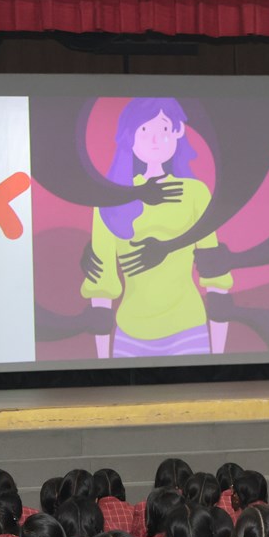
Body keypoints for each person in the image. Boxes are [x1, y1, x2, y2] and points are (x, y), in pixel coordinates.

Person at [82, 97, 233, 359]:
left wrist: (219, 359)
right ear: (130, 137)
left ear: (177, 132)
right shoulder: (111, 200)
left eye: (163, 129)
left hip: (189, 328)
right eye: (144, 130)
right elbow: (101, 283)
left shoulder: (195, 194)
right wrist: (103, 364)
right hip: (130, 333)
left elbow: (215, 275)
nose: (154, 139)